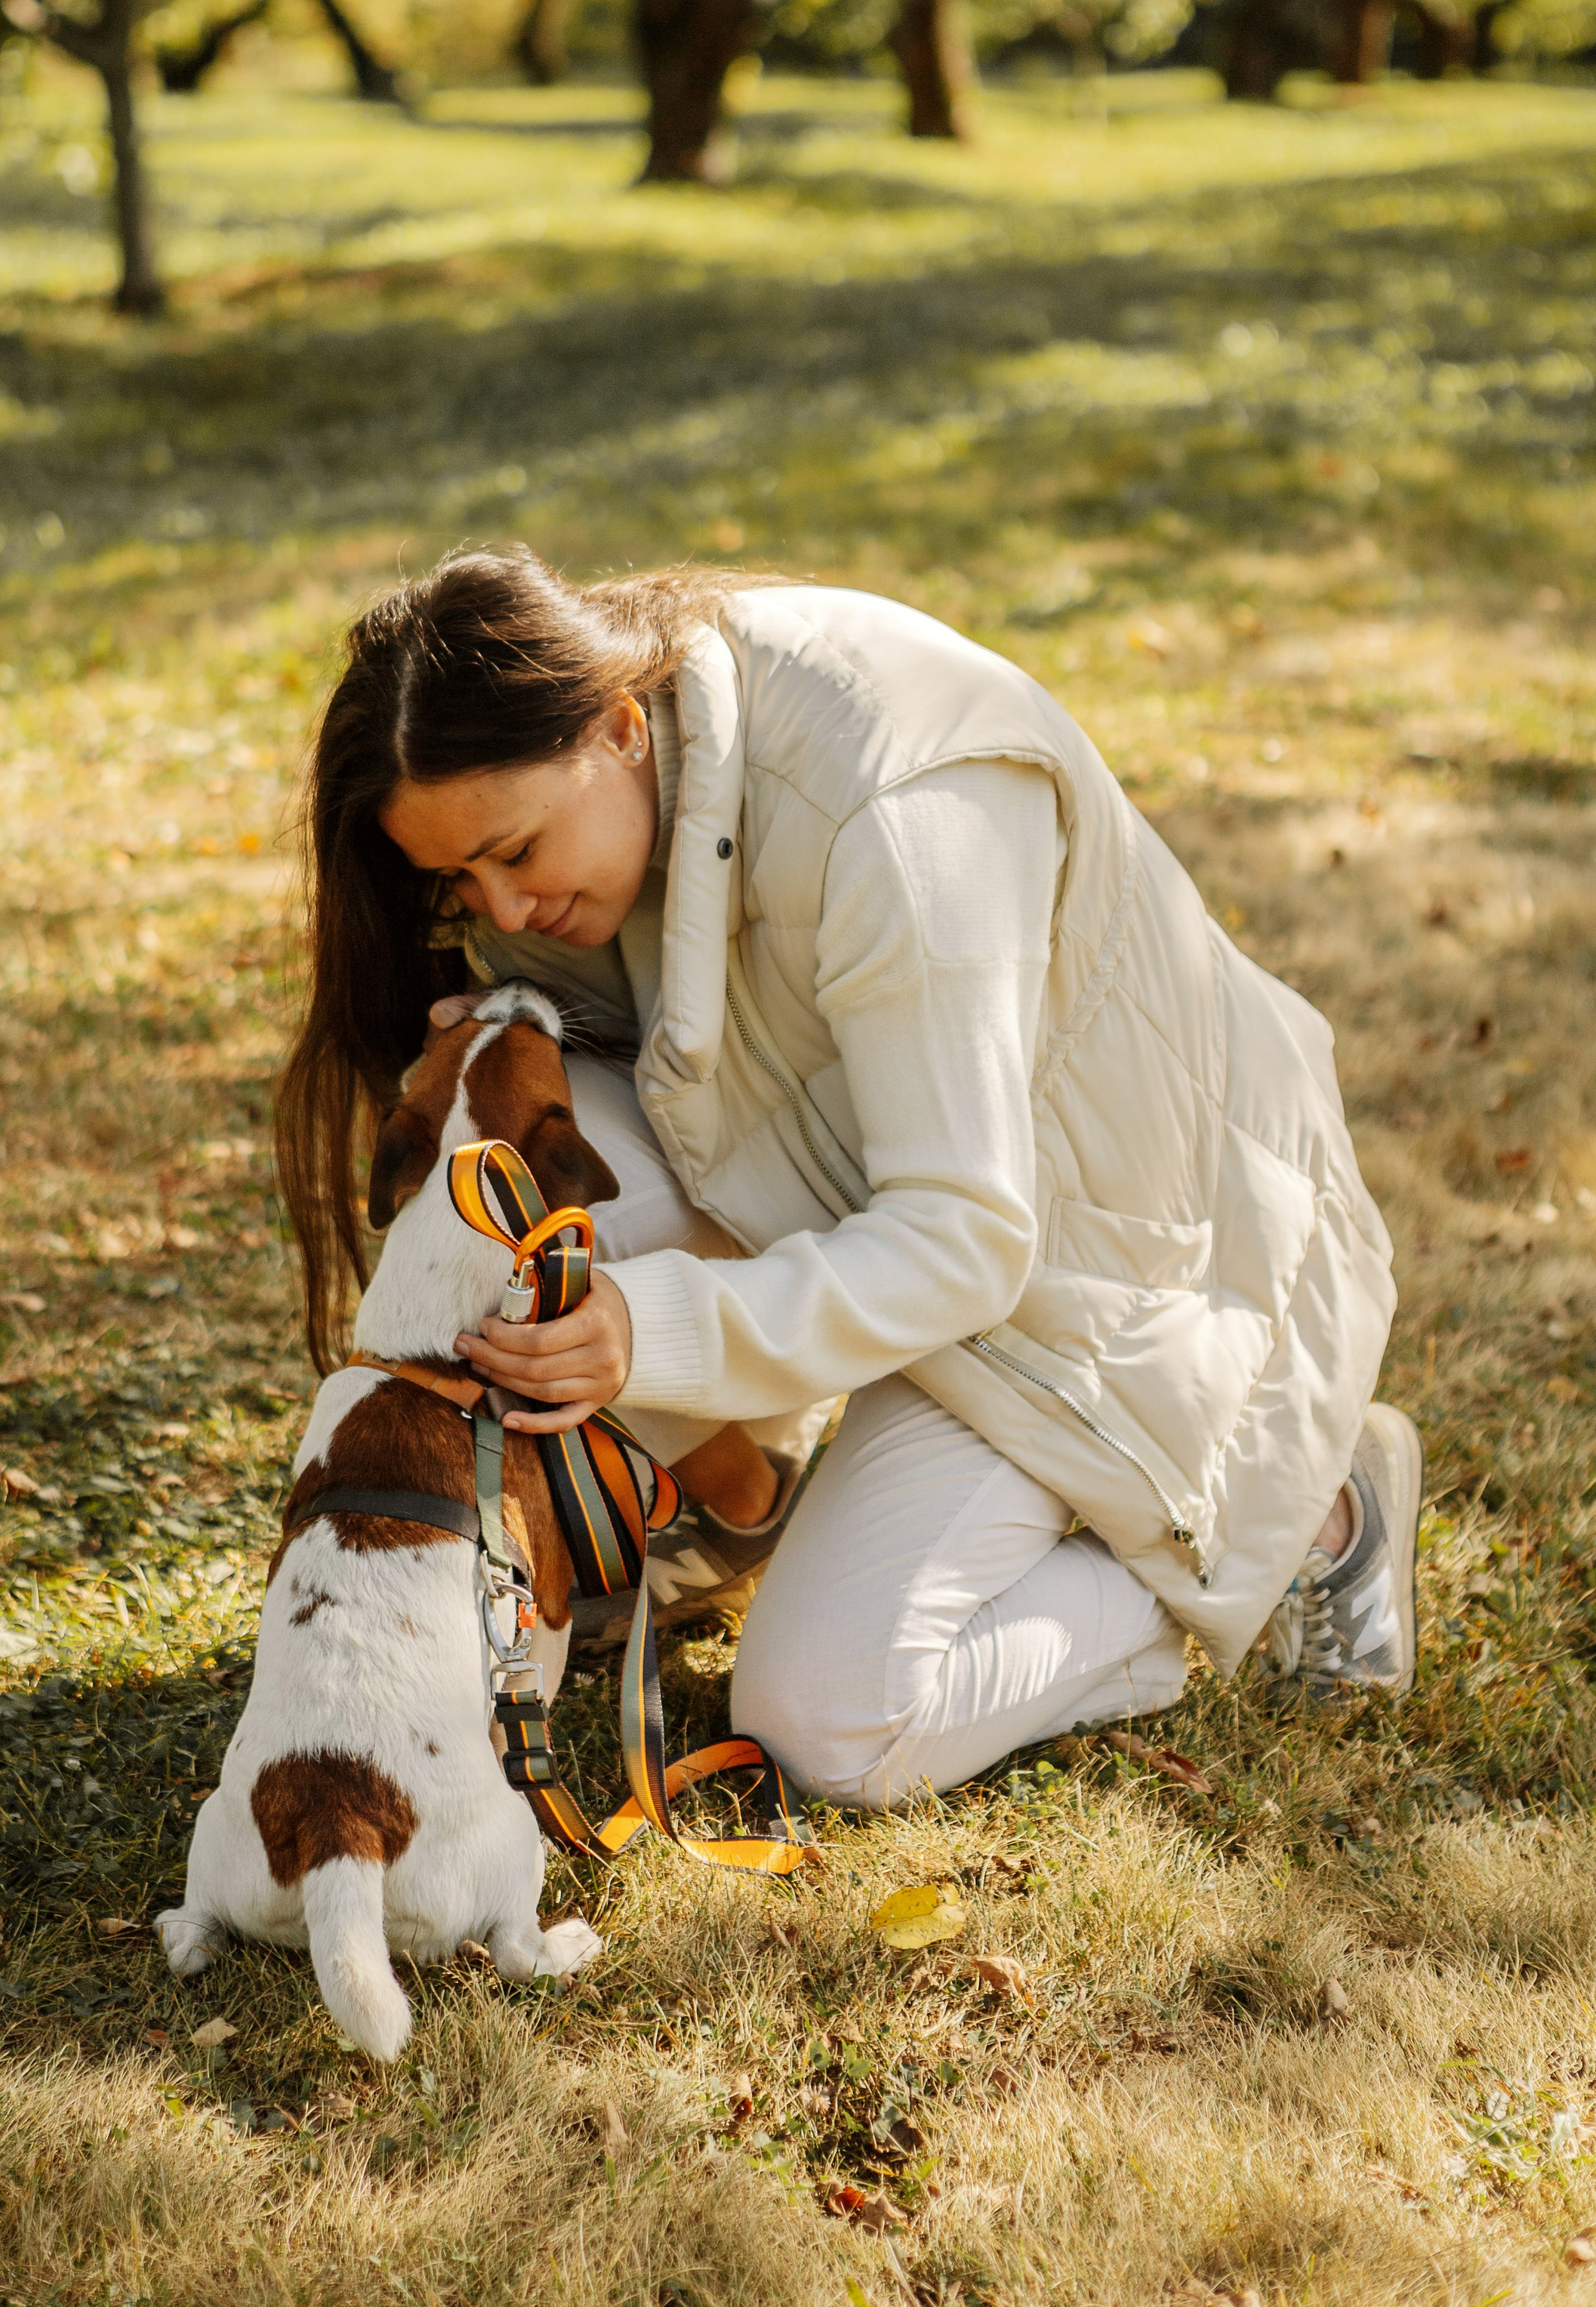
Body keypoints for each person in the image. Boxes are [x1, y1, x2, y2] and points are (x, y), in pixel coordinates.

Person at [276, 551, 1419, 1811]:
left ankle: (1301, 1513)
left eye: (516, 850)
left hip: (1097, 1278)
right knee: (510, 1187)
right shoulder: (633, 778)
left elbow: (969, 1243)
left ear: (611, 725)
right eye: (460, 884)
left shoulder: (896, 805)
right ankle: (729, 1499)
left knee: (825, 1724)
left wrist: (647, 1332)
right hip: (855, 1195)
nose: (503, 902)